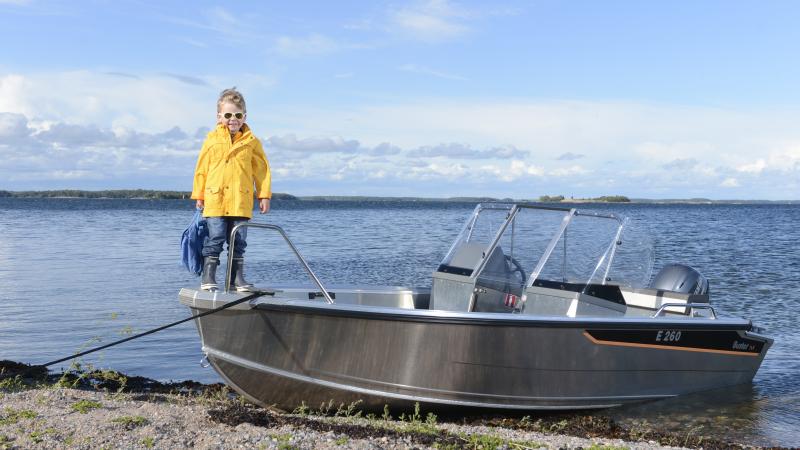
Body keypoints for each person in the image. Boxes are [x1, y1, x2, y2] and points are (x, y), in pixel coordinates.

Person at [191, 88, 271, 291]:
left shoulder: (252, 142)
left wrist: (264, 195)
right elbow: (202, 168)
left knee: (239, 241)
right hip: (215, 200)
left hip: (240, 201)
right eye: (228, 115)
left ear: (244, 117)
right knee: (215, 238)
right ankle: (208, 277)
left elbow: (261, 170)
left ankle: (236, 279)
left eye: (237, 115)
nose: (233, 119)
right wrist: (199, 194)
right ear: (219, 117)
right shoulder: (211, 139)